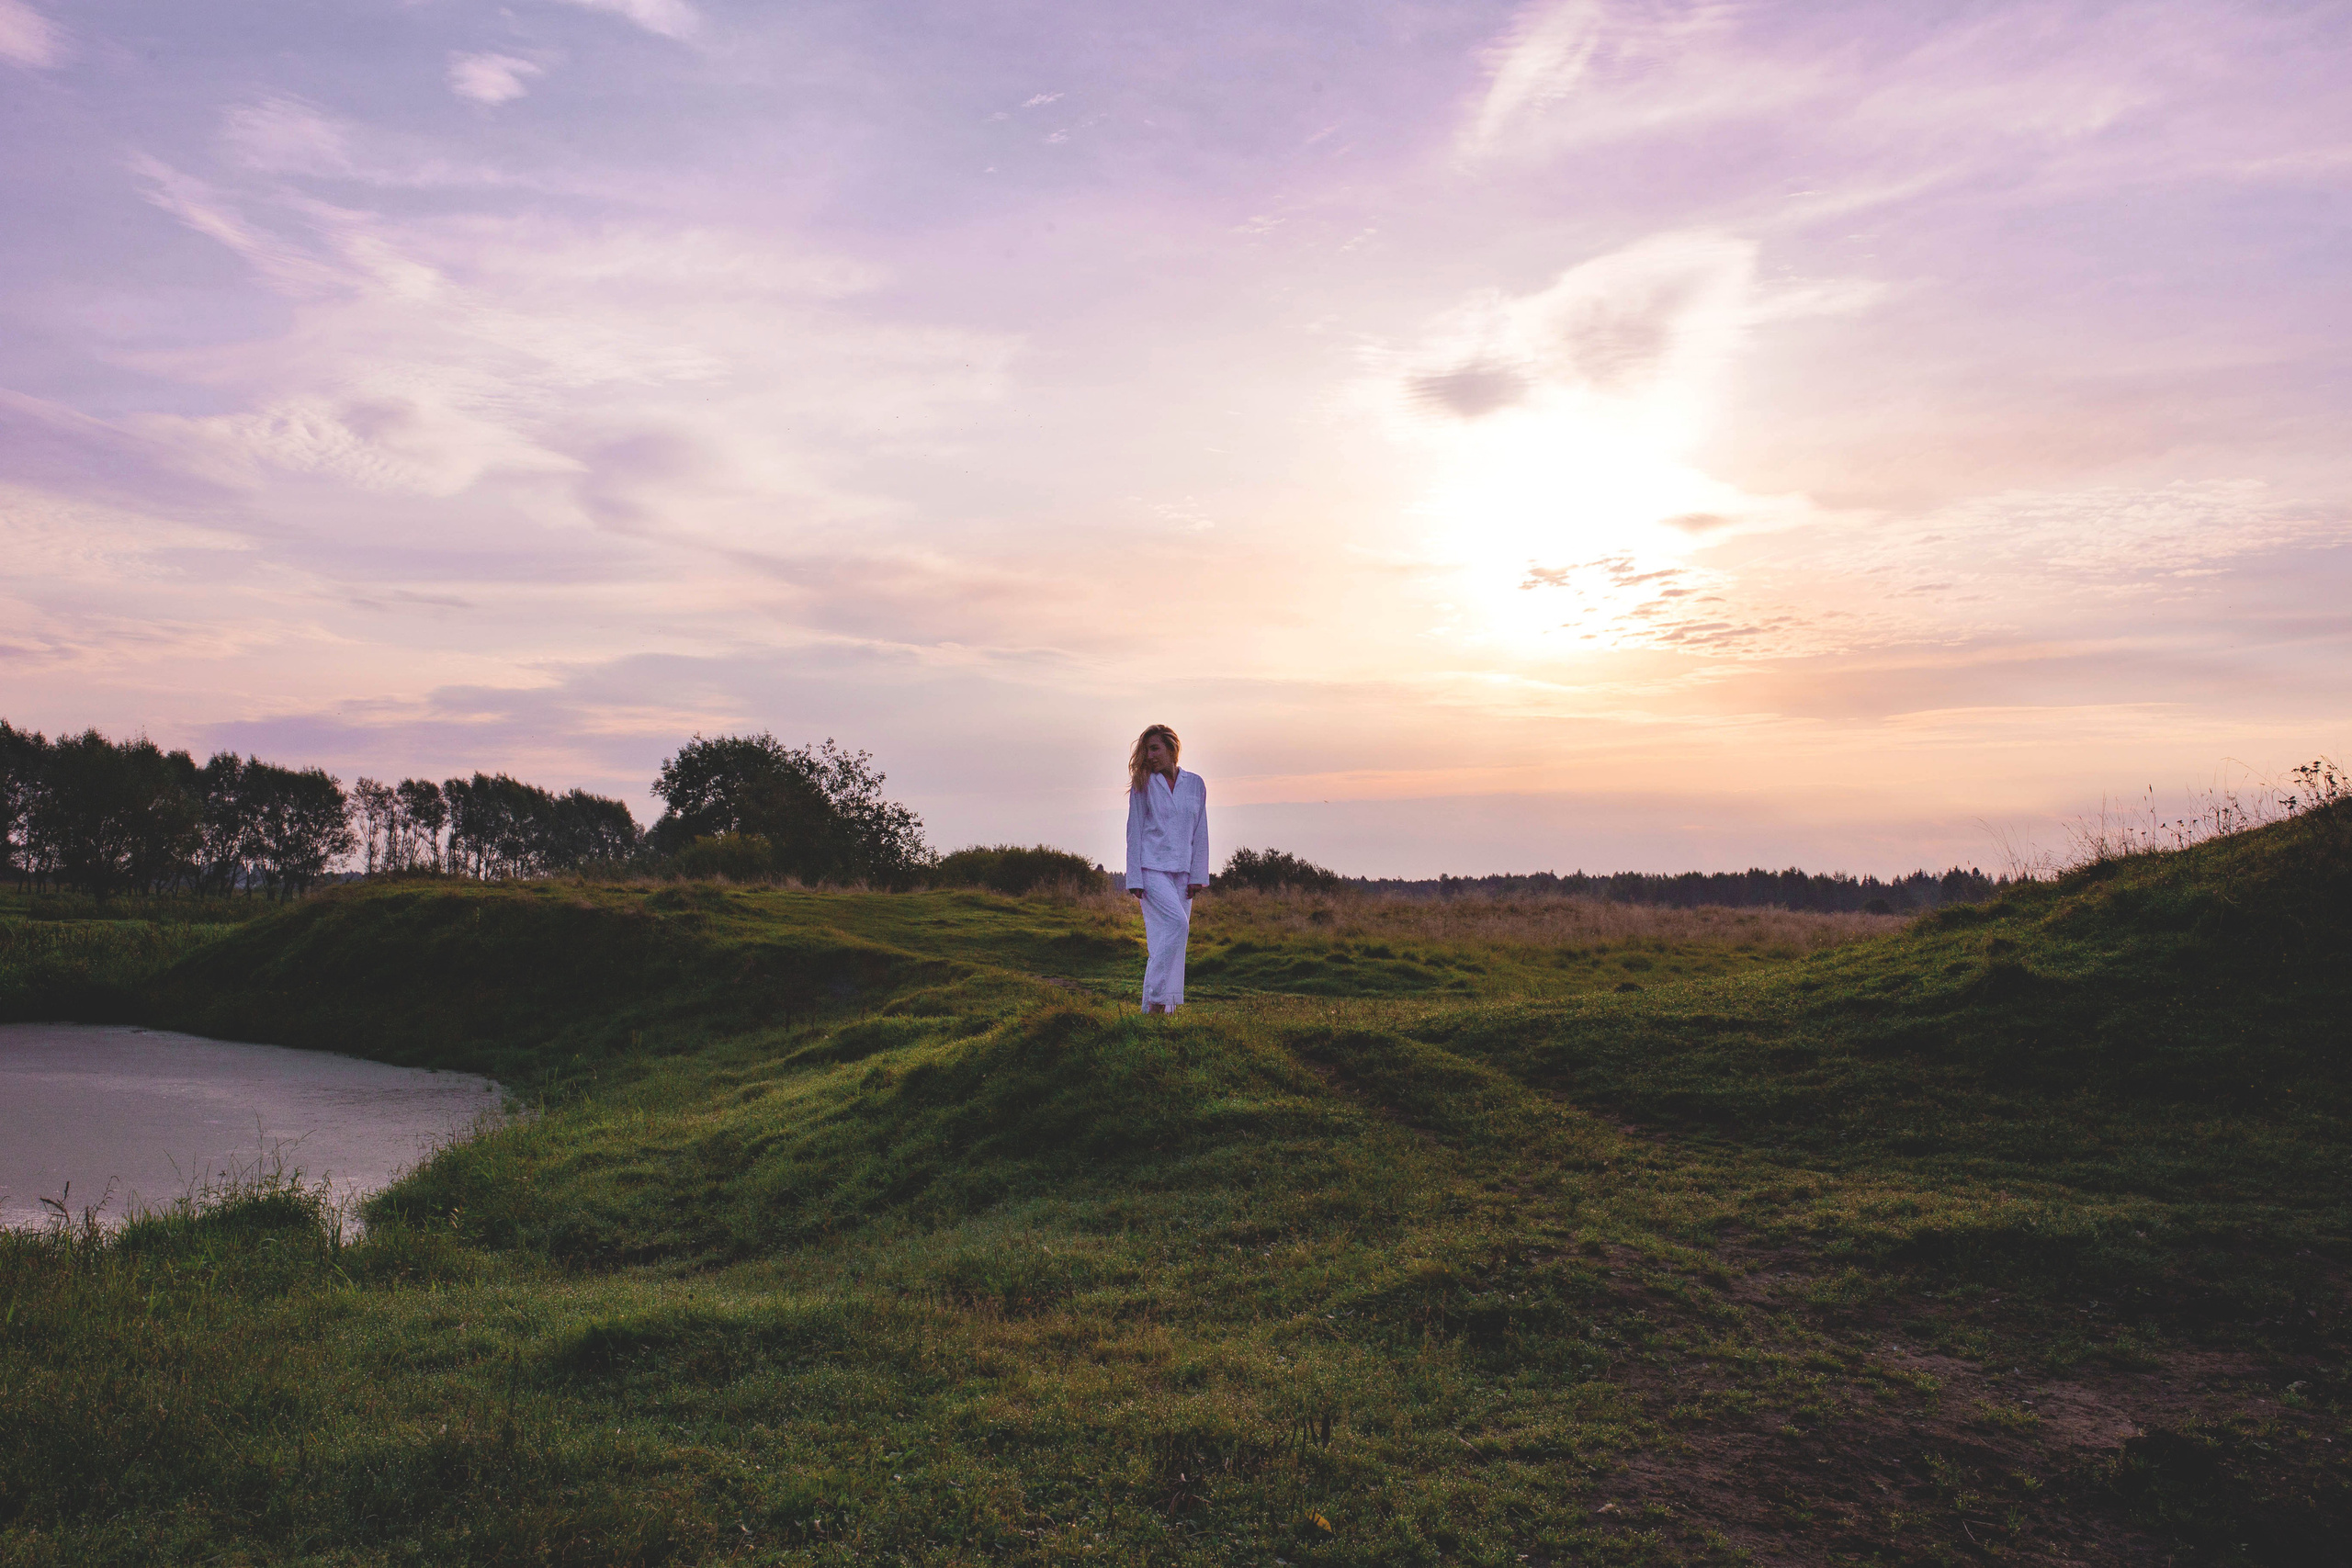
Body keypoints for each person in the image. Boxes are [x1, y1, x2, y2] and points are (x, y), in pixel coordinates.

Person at [1124, 724, 1209, 1014]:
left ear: (1172, 748)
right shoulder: (1144, 784)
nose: (1150, 756)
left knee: (1166, 942)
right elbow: (1134, 829)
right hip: (1151, 869)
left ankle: (1155, 1014)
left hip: (1183, 874)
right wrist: (1134, 877)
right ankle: (1159, 1000)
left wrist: (1198, 875)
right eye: (1146, 750)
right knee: (1177, 925)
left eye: (1155, 748)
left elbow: (1200, 831)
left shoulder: (1195, 784)